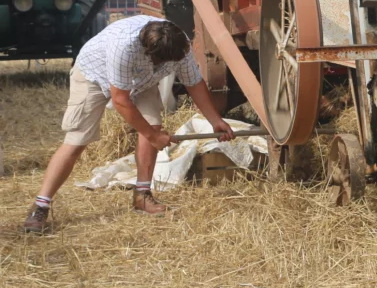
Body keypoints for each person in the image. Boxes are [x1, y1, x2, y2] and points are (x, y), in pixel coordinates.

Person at [21, 16, 233, 233]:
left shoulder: (180, 43)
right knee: (77, 141)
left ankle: (142, 196)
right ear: (150, 54)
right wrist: (152, 137)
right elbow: (120, 99)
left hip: (143, 80)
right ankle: (40, 206)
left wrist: (215, 120)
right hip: (94, 75)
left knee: (153, 125)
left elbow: (193, 82)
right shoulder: (124, 47)